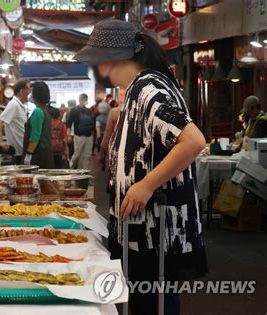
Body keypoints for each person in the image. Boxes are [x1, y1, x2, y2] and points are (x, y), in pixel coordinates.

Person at [75, 19, 208, 315]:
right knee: (144, 304)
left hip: (156, 231)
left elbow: (193, 140)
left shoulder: (148, 88)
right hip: (141, 229)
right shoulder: (136, 88)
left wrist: (146, 185)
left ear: (112, 58)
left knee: (155, 306)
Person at [0, 79, 32, 164]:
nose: (30, 92)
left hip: (22, 150)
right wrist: (1, 141)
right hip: (17, 152)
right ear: (21, 91)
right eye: (28, 89)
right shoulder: (14, 104)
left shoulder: (21, 106)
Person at [22, 81, 54, 168]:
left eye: (32, 92)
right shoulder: (45, 111)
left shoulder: (37, 112)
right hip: (46, 154)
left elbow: (35, 136)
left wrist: (29, 154)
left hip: (38, 156)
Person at [66, 93, 94, 169]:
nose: (85, 101)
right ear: (80, 100)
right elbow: (69, 124)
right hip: (78, 136)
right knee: (76, 155)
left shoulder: (89, 110)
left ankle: (85, 173)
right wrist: (69, 136)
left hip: (89, 136)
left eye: (86, 99)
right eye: (83, 99)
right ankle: (70, 168)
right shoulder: (74, 110)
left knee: (87, 156)